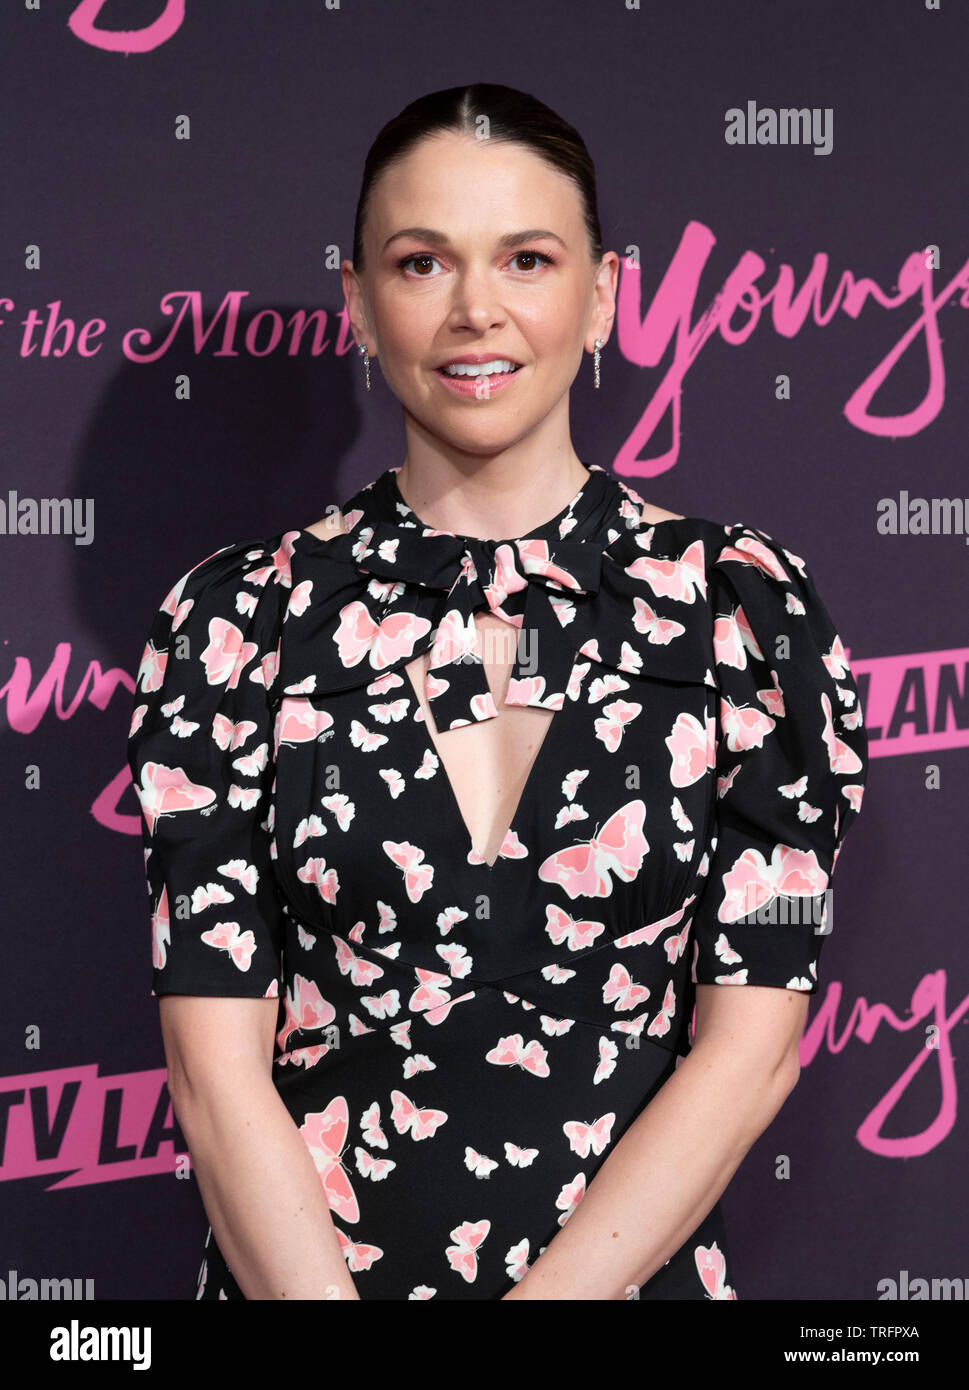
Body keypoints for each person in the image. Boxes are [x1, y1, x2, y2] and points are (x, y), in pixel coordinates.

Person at [127, 83, 869, 1301]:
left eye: (527, 258)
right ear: (360, 303)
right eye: (422, 263)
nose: (476, 311)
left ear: (605, 296)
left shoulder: (744, 612)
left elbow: (755, 1046)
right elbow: (214, 1077)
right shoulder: (235, 622)